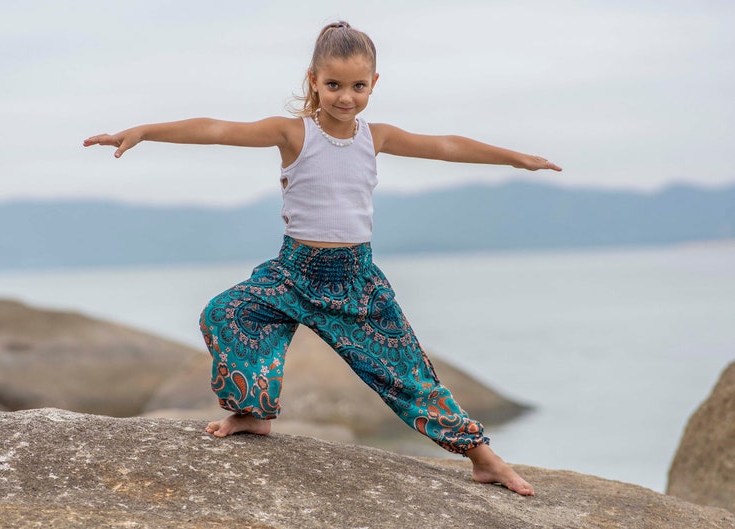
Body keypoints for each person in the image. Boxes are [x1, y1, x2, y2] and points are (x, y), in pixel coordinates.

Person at [84, 21, 561, 496]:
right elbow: (217, 129)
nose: (345, 97)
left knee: (408, 375)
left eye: (357, 86)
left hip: (356, 283)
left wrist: (516, 158)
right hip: (293, 274)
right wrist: (144, 131)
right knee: (227, 313)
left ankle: (484, 459)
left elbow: (446, 146)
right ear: (313, 79)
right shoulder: (293, 133)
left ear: (374, 84)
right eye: (333, 84)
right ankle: (253, 413)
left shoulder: (376, 137)